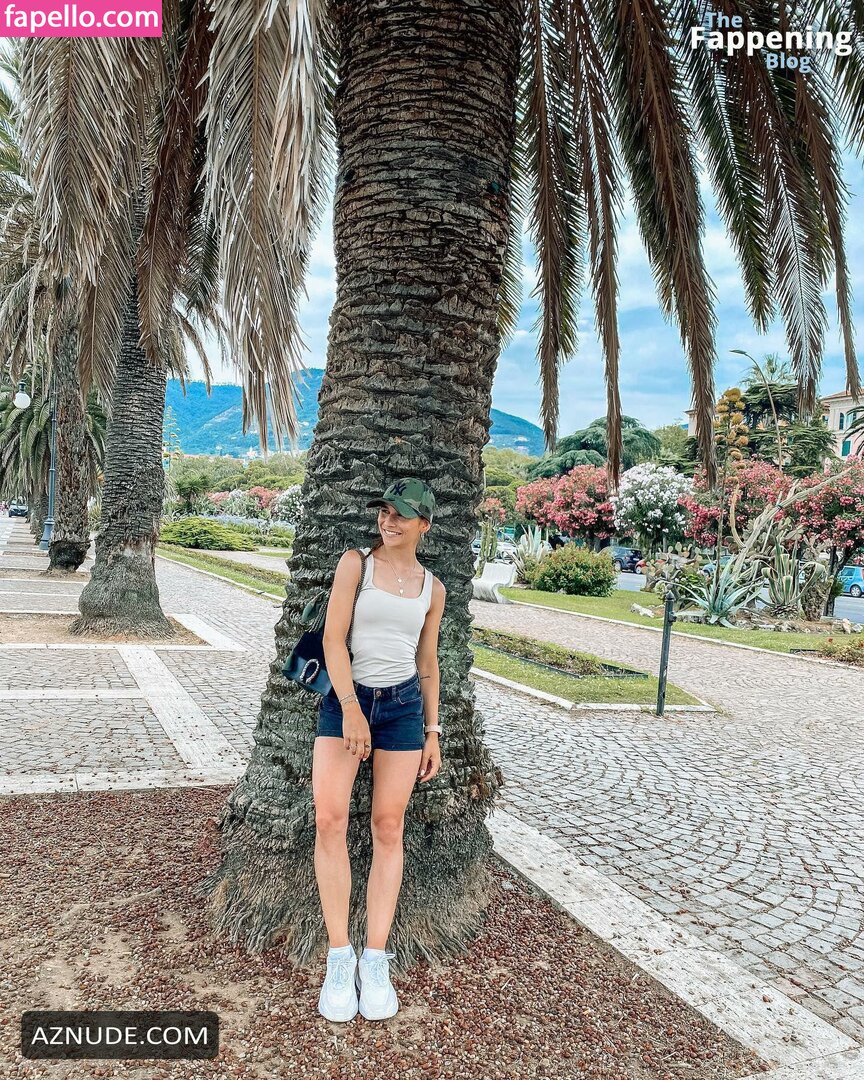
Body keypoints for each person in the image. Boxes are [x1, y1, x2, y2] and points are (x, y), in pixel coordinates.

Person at [312, 477, 445, 1023]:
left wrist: (433, 732)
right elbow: (332, 639)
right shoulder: (356, 565)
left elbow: (427, 663)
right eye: (385, 512)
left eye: (401, 514)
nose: (388, 521)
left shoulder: (433, 588)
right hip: (347, 701)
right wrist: (350, 708)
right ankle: (339, 957)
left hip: (404, 709)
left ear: (424, 525)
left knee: (389, 828)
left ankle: (374, 959)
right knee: (329, 820)